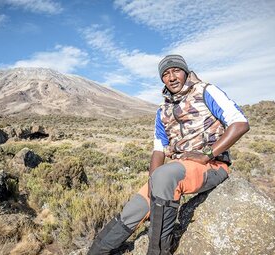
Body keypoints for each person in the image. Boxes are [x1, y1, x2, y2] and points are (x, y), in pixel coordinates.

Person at [88, 54, 250, 255]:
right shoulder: (163, 110)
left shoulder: (207, 91)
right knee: (135, 207)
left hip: (212, 166)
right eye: (165, 74)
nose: (172, 77)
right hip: (178, 169)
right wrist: (152, 185)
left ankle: (159, 251)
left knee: (164, 175)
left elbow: (240, 123)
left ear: (185, 72)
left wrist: (208, 154)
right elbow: (158, 150)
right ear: (162, 79)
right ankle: (96, 251)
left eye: (176, 71)